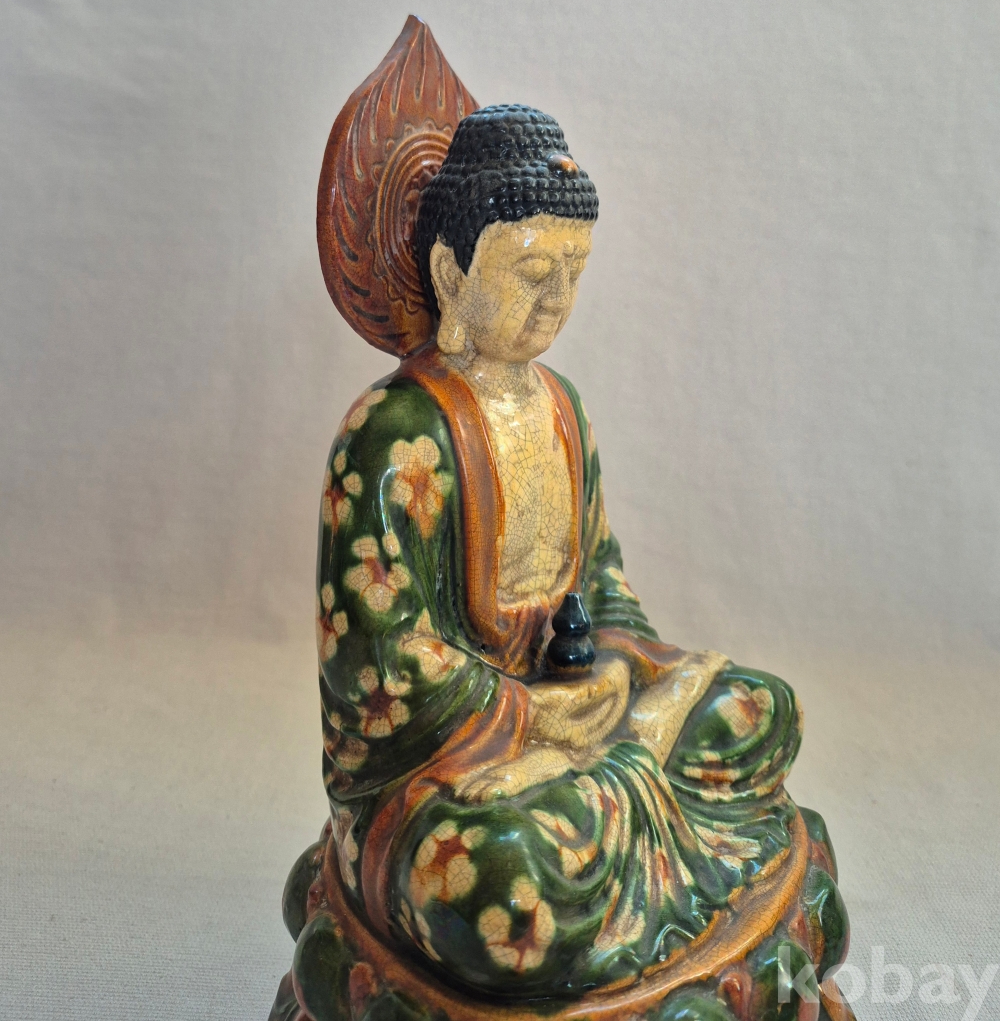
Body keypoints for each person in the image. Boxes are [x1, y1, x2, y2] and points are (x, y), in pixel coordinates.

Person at [312, 105, 834, 997]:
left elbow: (602, 580)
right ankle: (635, 815)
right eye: (532, 272)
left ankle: (623, 788)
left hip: (584, 715)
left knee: (760, 711)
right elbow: (379, 660)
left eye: (575, 272)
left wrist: (614, 672)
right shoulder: (394, 435)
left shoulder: (562, 408)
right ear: (450, 271)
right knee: (507, 885)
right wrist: (531, 720)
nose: (557, 299)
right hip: (454, 762)